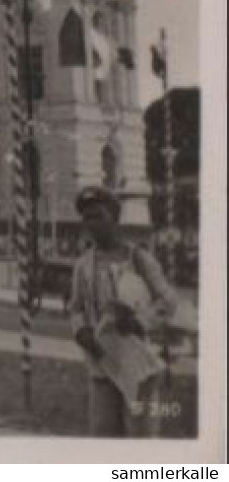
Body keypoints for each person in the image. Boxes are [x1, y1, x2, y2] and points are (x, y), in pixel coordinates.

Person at [68, 185, 177, 437]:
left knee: (141, 434)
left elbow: (168, 300)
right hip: (102, 363)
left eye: (98, 216)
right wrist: (81, 330)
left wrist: (140, 321)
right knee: (103, 432)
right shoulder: (83, 264)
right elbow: (76, 308)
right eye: (87, 218)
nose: (92, 224)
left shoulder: (138, 258)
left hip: (137, 362)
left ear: (114, 217)